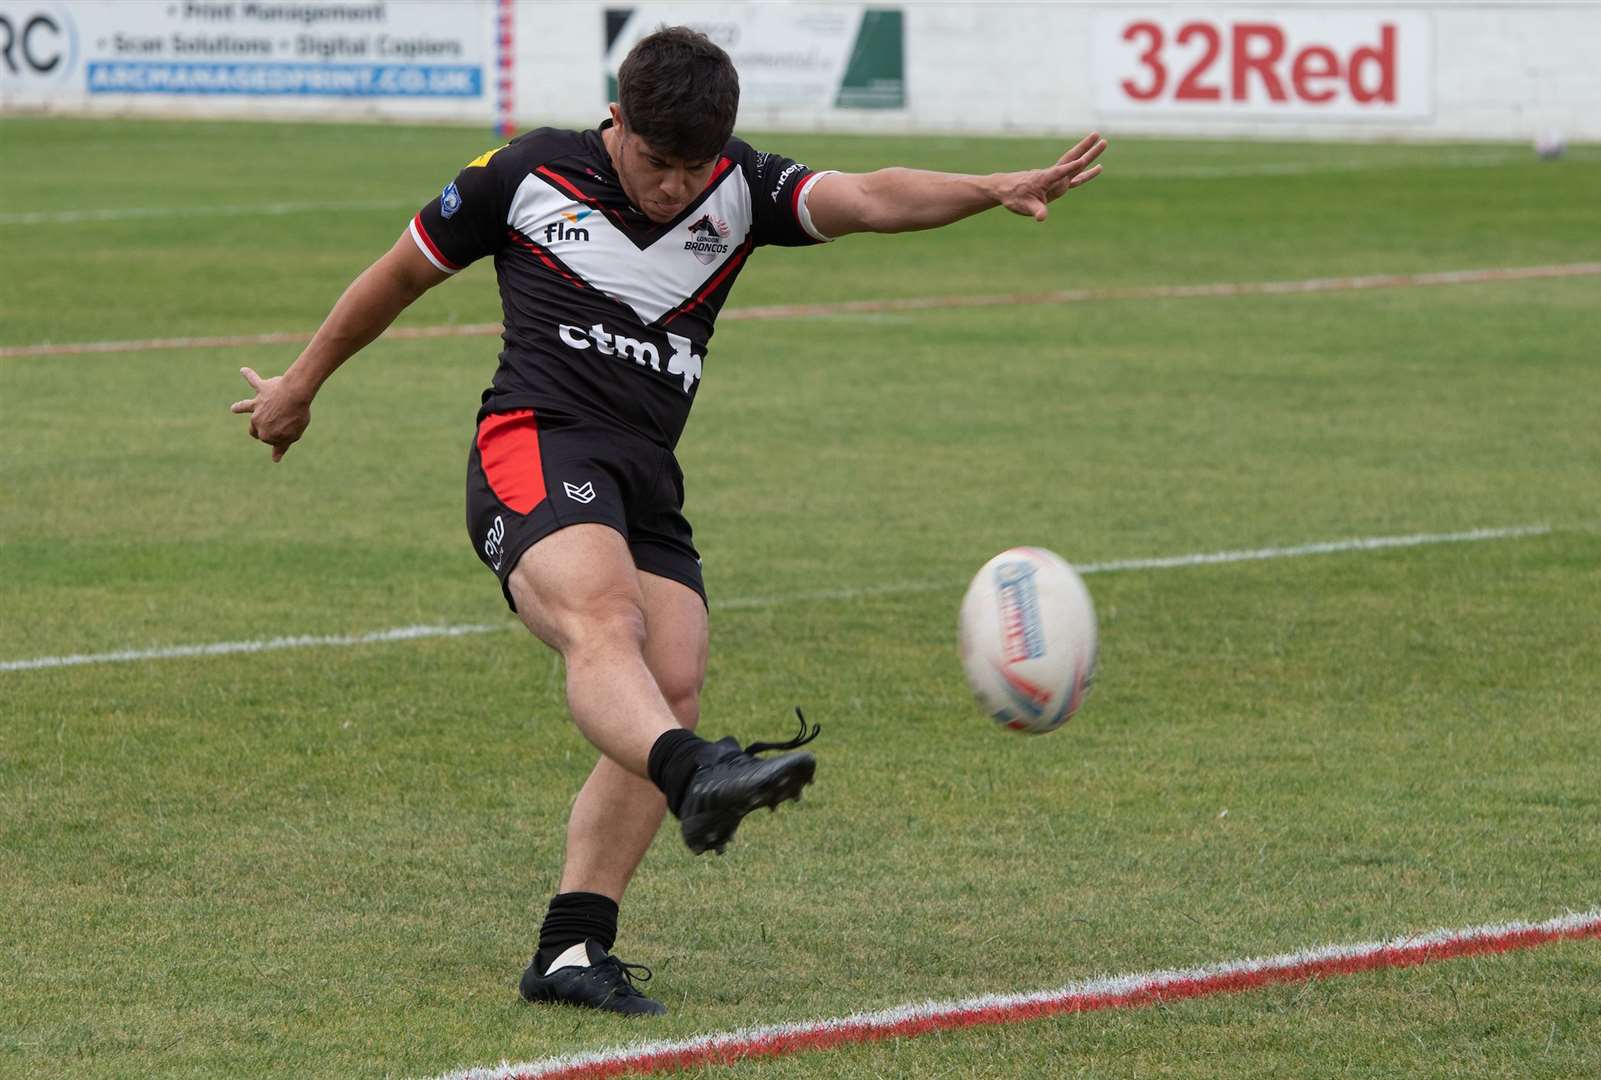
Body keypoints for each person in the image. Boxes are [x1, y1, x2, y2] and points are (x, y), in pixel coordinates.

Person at [231, 25, 1106, 1016]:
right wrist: (299, 387)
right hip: (535, 442)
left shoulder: (742, 189)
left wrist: (988, 188)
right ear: (619, 119)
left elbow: (868, 197)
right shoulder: (521, 175)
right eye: (657, 163)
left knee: (672, 684)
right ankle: (701, 775)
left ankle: (569, 950)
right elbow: (397, 276)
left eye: (694, 168)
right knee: (606, 622)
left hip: (646, 476)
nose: (675, 188)